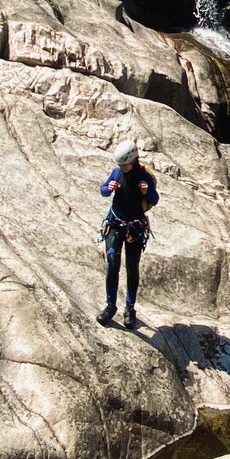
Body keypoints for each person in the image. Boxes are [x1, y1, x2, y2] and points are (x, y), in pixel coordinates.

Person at [98, 138, 158, 326]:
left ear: (132, 160)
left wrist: (146, 192)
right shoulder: (117, 173)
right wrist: (108, 188)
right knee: (112, 263)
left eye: (124, 164)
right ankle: (110, 306)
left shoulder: (144, 177)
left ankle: (130, 309)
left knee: (132, 267)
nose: (121, 167)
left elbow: (154, 198)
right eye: (120, 165)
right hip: (115, 224)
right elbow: (103, 190)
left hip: (135, 228)